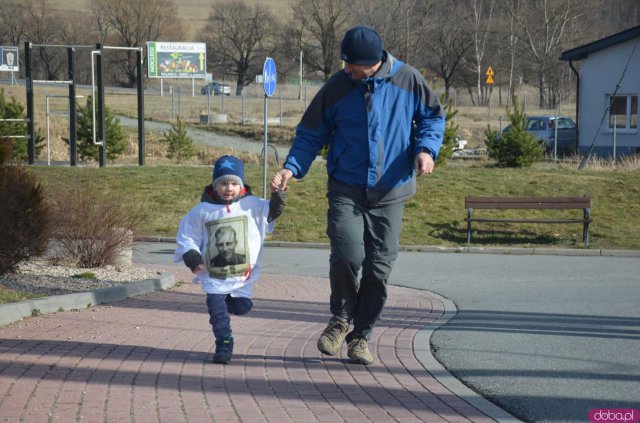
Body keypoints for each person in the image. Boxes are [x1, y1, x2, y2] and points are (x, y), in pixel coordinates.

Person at [271, 25, 445, 365]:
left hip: (391, 189)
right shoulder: (337, 87)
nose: (347, 69)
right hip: (347, 187)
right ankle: (339, 320)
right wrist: (292, 167)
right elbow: (309, 133)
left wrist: (426, 150)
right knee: (348, 255)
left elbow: (432, 120)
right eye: (345, 63)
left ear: (375, 61)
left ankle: (361, 335)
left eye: (353, 65)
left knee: (379, 270)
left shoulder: (408, 80)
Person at [174, 155, 286, 364]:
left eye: (234, 183)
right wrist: (193, 258)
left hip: (241, 275)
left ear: (241, 185)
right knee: (217, 311)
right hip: (213, 276)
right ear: (215, 185)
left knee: (243, 307)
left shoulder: (251, 205)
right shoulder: (202, 211)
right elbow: (187, 236)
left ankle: (226, 305)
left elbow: (272, 211)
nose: (228, 188)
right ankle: (224, 343)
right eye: (223, 183)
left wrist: (277, 193)